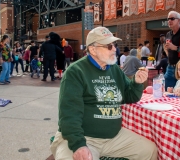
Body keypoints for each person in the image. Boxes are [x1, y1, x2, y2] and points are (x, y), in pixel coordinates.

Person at [50, 26, 157, 160]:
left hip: (114, 138)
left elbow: (130, 96)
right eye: (108, 46)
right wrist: (78, 145)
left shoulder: (114, 69)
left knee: (149, 150)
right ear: (93, 49)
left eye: (114, 45)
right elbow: (69, 115)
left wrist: (137, 82)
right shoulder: (75, 72)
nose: (114, 49)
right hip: (84, 138)